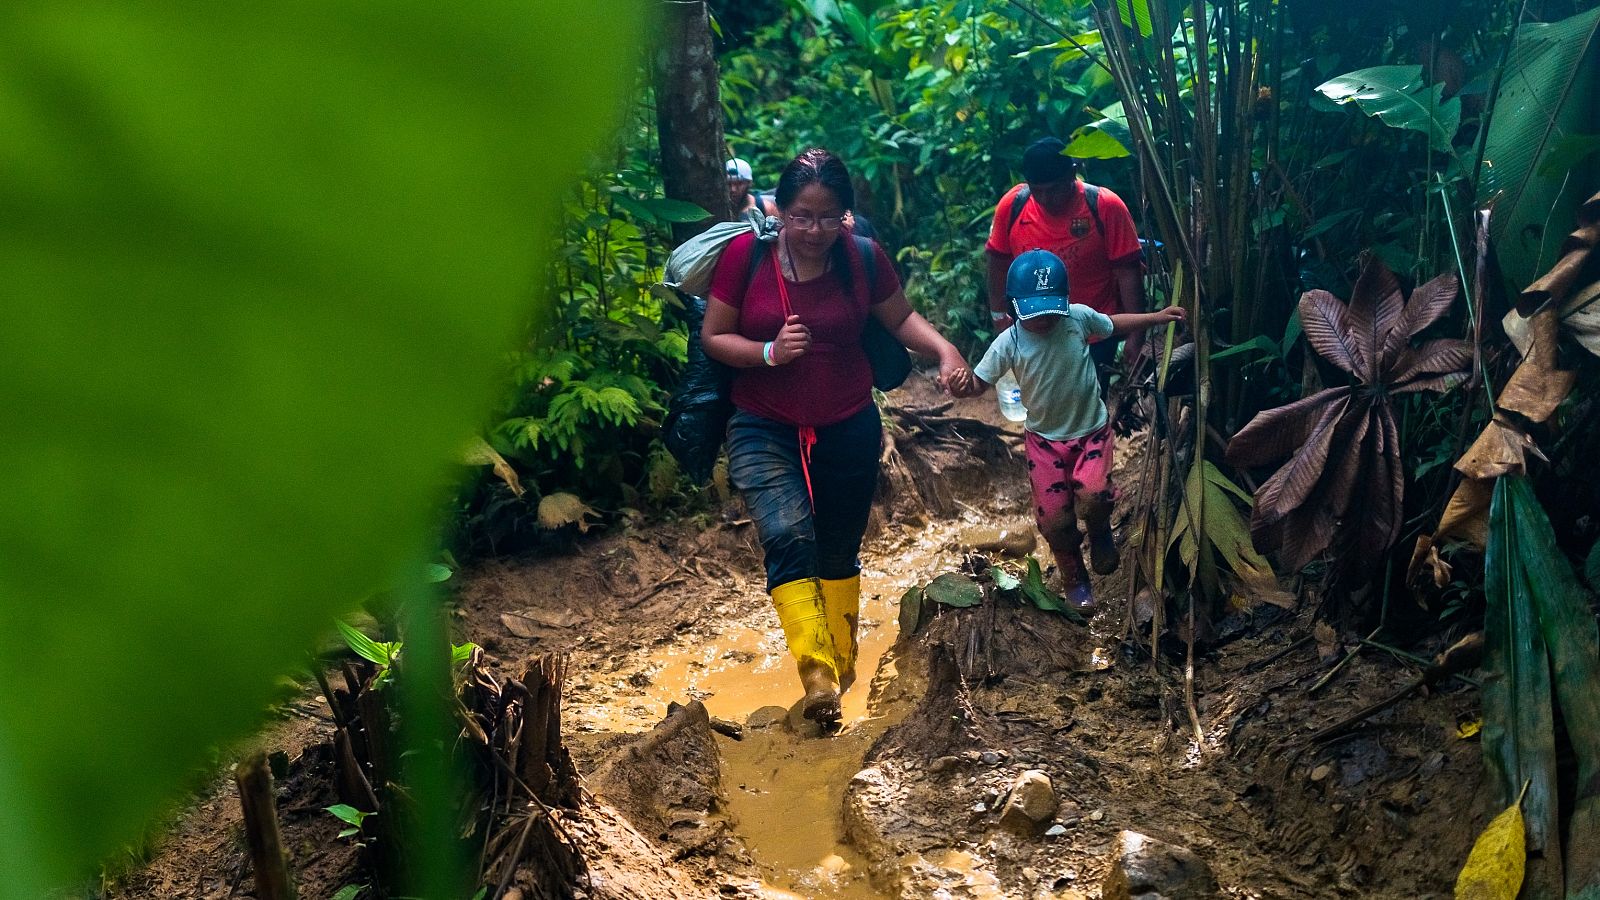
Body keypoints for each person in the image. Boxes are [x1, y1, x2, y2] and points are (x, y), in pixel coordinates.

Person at [702, 148, 972, 723]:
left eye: (827, 217)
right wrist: (769, 352)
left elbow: (899, 319)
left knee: (838, 545)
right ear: (779, 209)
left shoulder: (863, 258)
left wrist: (945, 348)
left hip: (848, 420)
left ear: (846, 215)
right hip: (761, 420)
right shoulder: (745, 258)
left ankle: (843, 663)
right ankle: (817, 674)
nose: (813, 230)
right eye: (800, 216)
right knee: (785, 531)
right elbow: (715, 336)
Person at [958, 249, 1182, 612]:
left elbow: (1114, 323)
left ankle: (1099, 530)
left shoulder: (1077, 319)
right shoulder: (1010, 342)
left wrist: (1156, 317)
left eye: (1051, 309)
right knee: (1054, 520)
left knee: (1094, 495)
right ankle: (1074, 577)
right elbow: (979, 383)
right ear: (1015, 307)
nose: (1044, 318)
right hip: (1045, 443)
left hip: (1090, 432)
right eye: (1035, 311)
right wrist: (959, 383)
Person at [985, 137, 1147, 385]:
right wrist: (998, 315)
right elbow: (997, 261)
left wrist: (1136, 337)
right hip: (1033, 330)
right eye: (1037, 190)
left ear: (1073, 173)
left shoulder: (1105, 206)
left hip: (1092, 332)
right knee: (1041, 400)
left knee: (1089, 403)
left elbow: (1128, 272)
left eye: (1054, 189)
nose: (1046, 199)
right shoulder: (1013, 206)